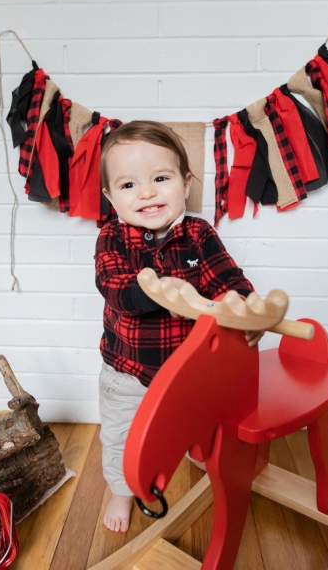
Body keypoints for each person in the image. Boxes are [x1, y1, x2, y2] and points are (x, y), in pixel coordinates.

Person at [94, 120, 263, 533]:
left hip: (188, 370)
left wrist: (245, 306)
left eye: (160, 178)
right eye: (129, 185)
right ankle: (121, 488)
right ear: (111, 197)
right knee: (122, 436)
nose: (147, 192)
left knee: (193, 423)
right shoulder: (111, 238)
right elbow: (114, 289)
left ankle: (194, 456)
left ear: (185, 185)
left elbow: (227, 278)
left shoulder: (199, 234)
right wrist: (152, 290)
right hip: (128, 373)